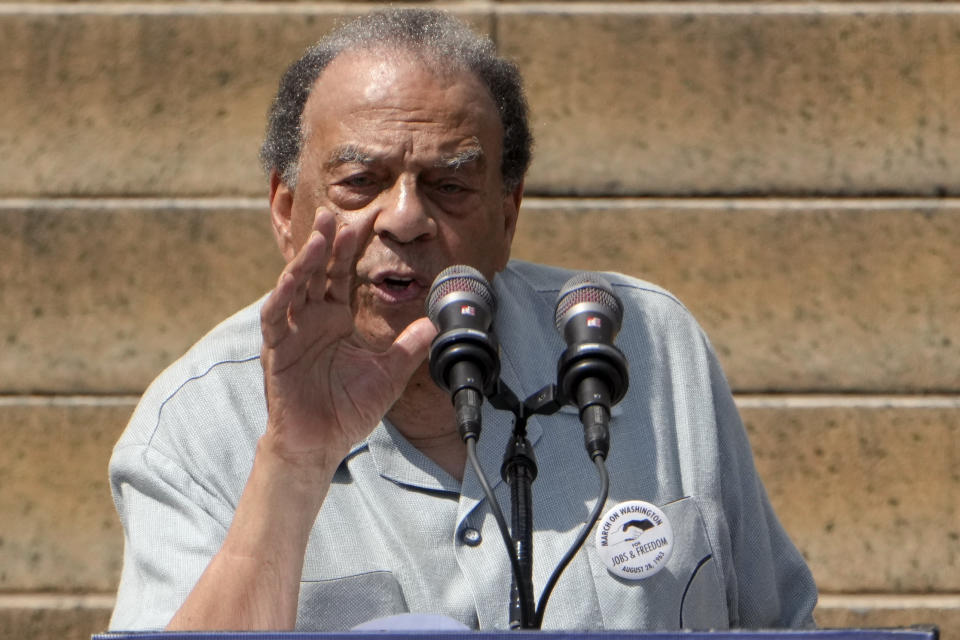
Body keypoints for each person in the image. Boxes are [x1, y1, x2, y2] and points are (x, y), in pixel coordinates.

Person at [108, 8, 817, 632]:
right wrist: (294, 461)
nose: (408, 218)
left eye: (450, 186)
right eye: (360, 183)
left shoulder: (643, 349)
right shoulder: (192, 426)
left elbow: (778, 625)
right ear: (284, 210)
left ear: (507, 216)